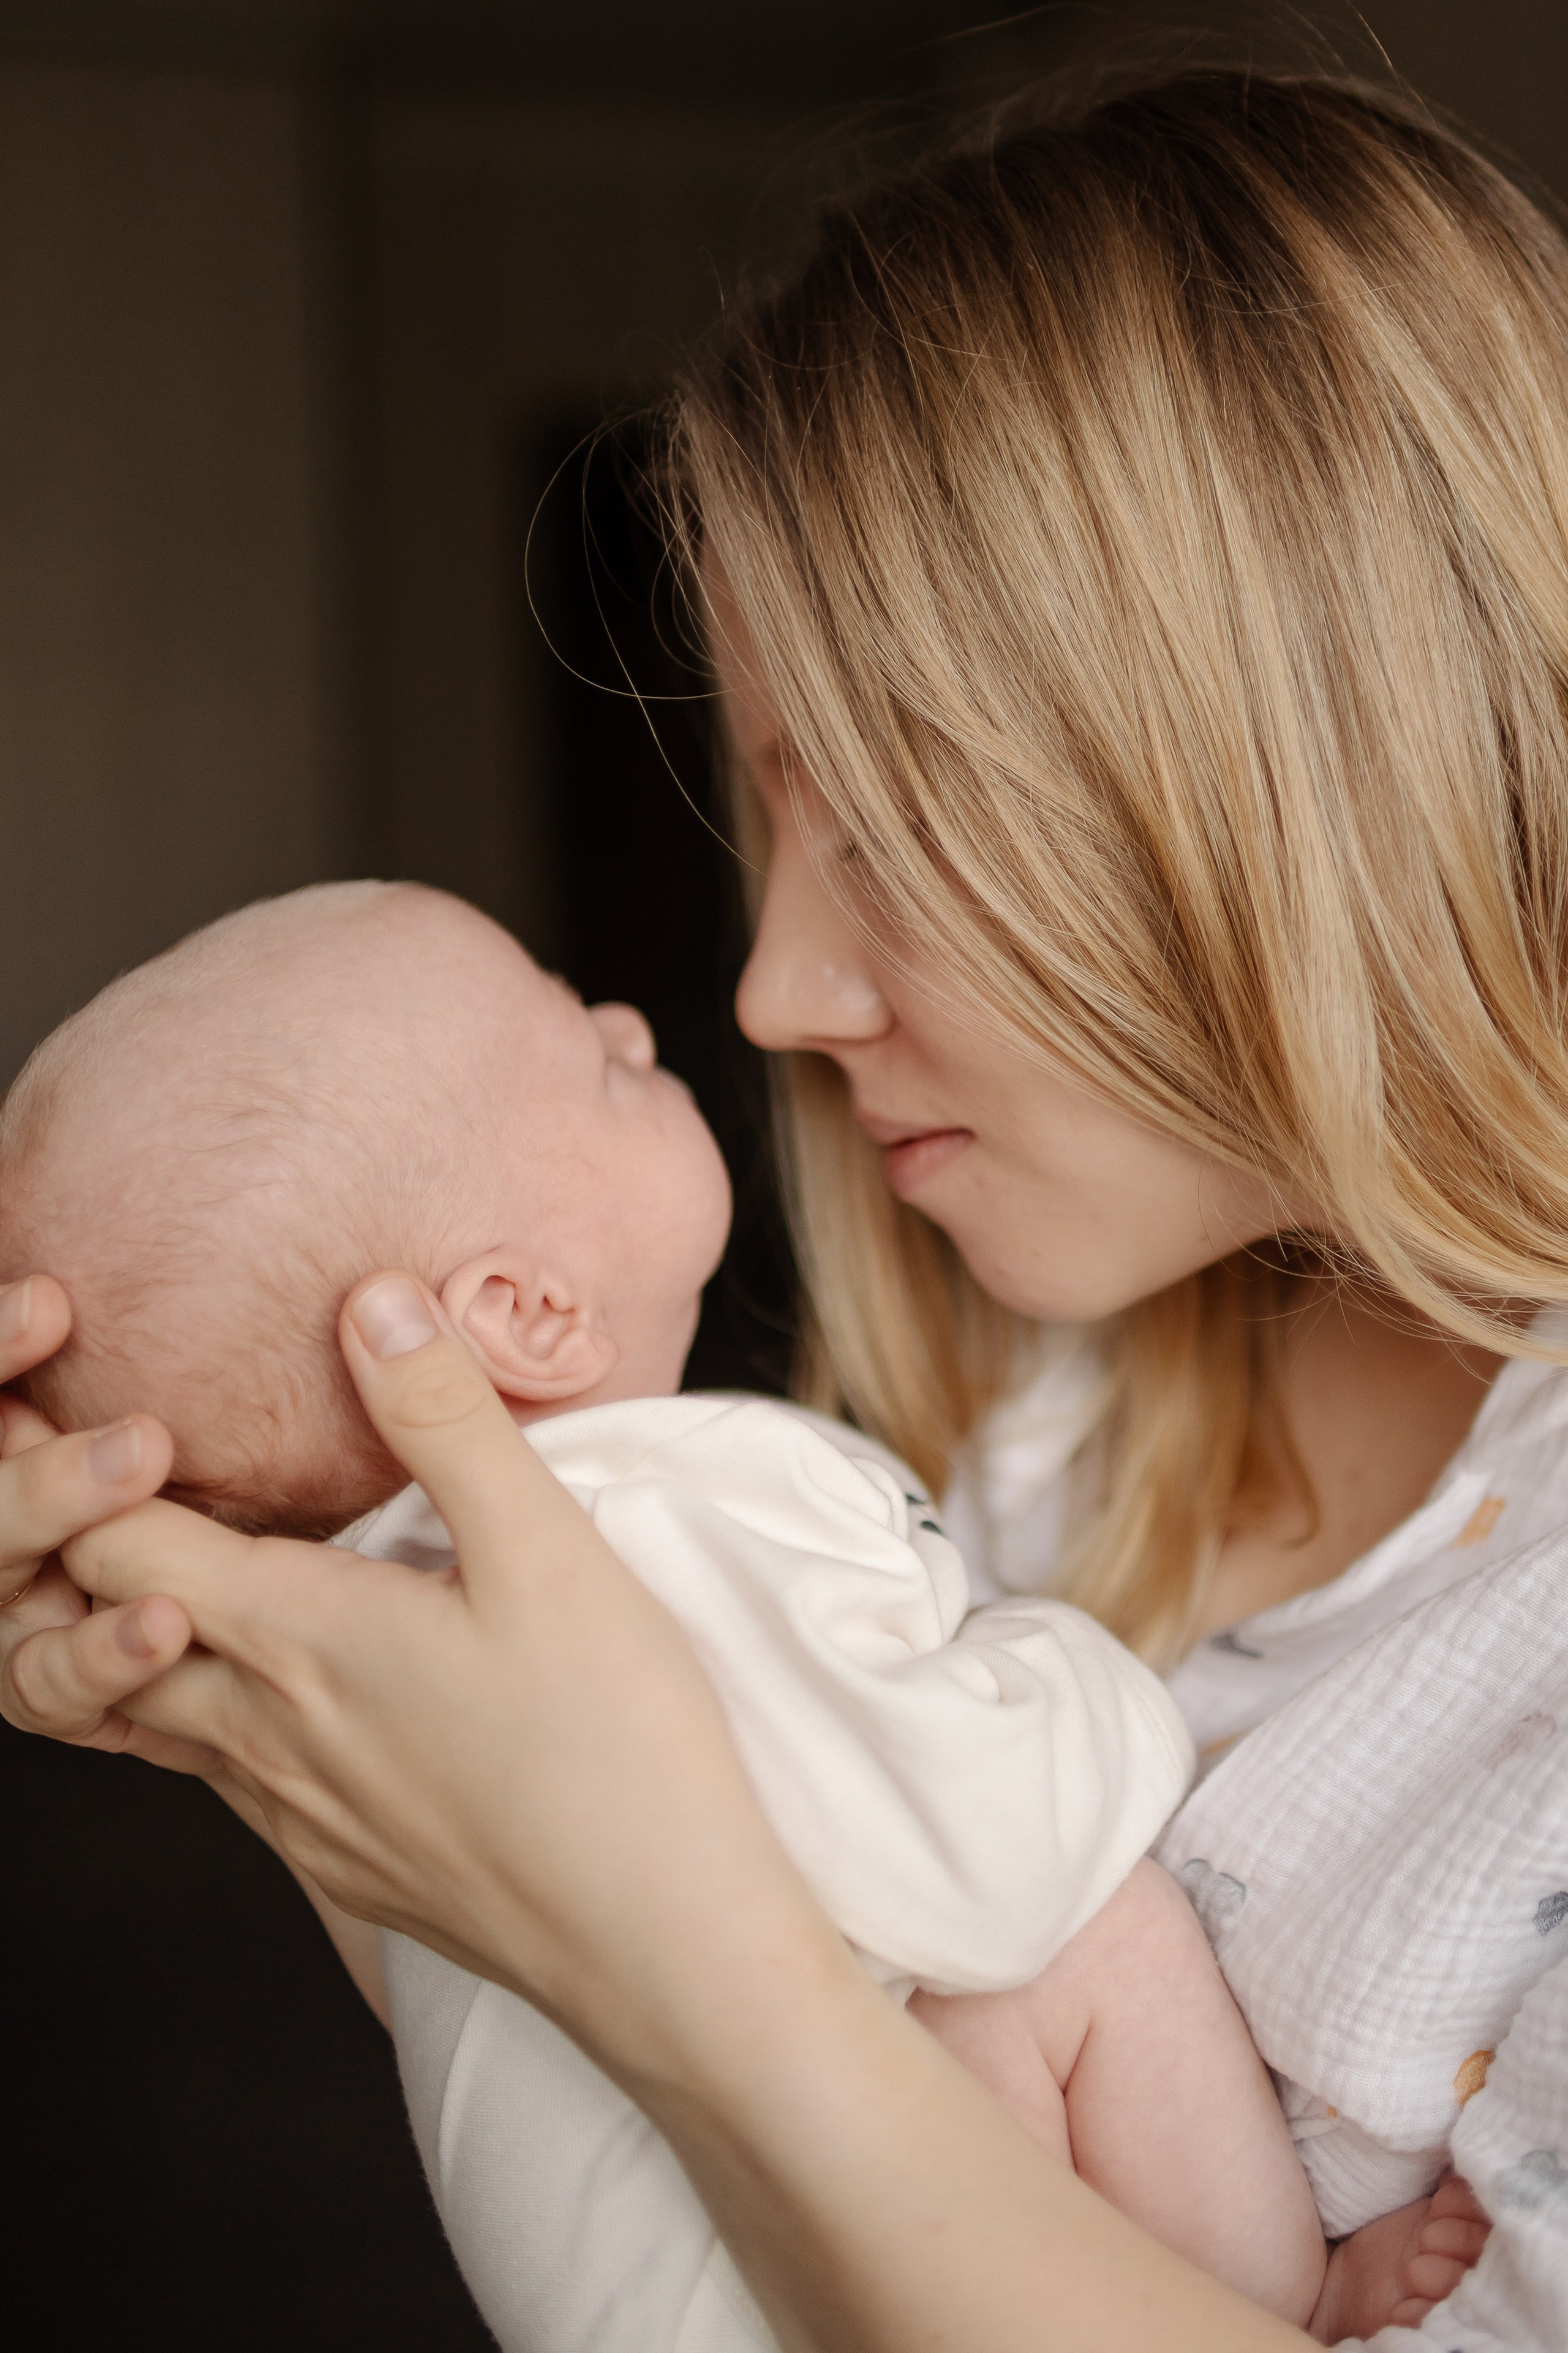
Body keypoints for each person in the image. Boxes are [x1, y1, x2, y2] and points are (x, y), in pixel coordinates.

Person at [0, 61, 1560, 2352]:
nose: (770, 990)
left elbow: (727, 2018)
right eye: (773, 824)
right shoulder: (1048, 1408)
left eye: (899, 830)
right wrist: (286, 1689)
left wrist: (684, 1963)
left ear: (1307, 768)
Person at [2, 877, 1329, 2337]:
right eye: (592, 1050)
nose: (642, 1018)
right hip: (811, 2282)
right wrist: (1072, 1667)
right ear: (528, 1315)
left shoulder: (372, 1655)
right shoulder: (666, 1517)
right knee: (1095, 1929)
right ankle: (1286, 2290)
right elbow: (984, 1857)